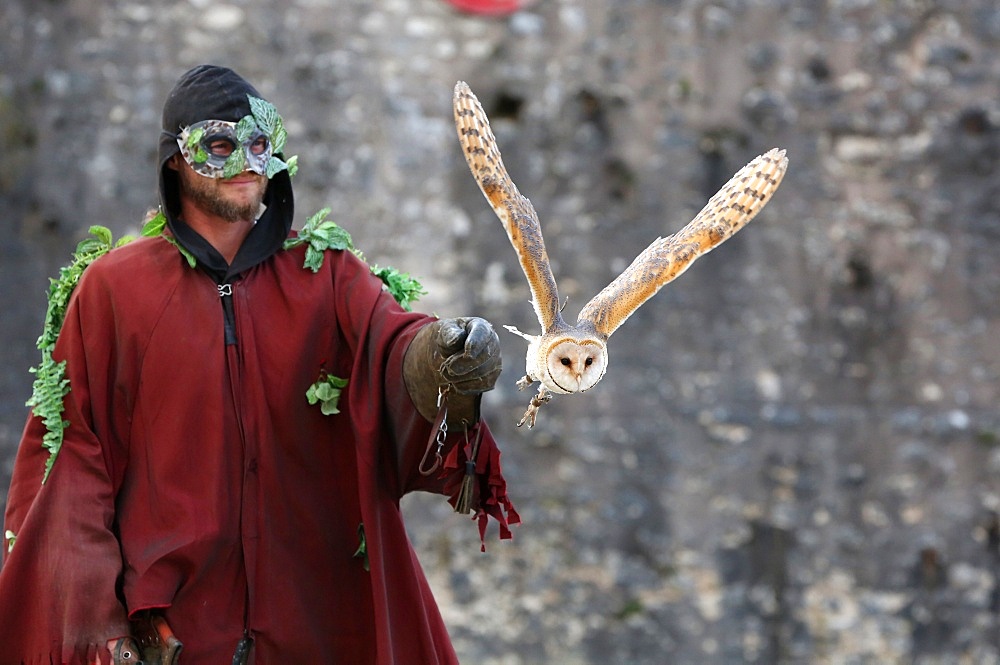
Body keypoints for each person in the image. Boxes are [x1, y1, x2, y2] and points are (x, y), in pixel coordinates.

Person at [0, 64, 518, 664]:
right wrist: (97, 623)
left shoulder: (329, 274)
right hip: (179, 634)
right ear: (176, 158)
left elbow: (393, 348)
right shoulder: (114, 290)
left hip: (314, 620)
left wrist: (442, 356)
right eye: (220, 145)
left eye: (259, 144)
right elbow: (74, 461)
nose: (245, 162)